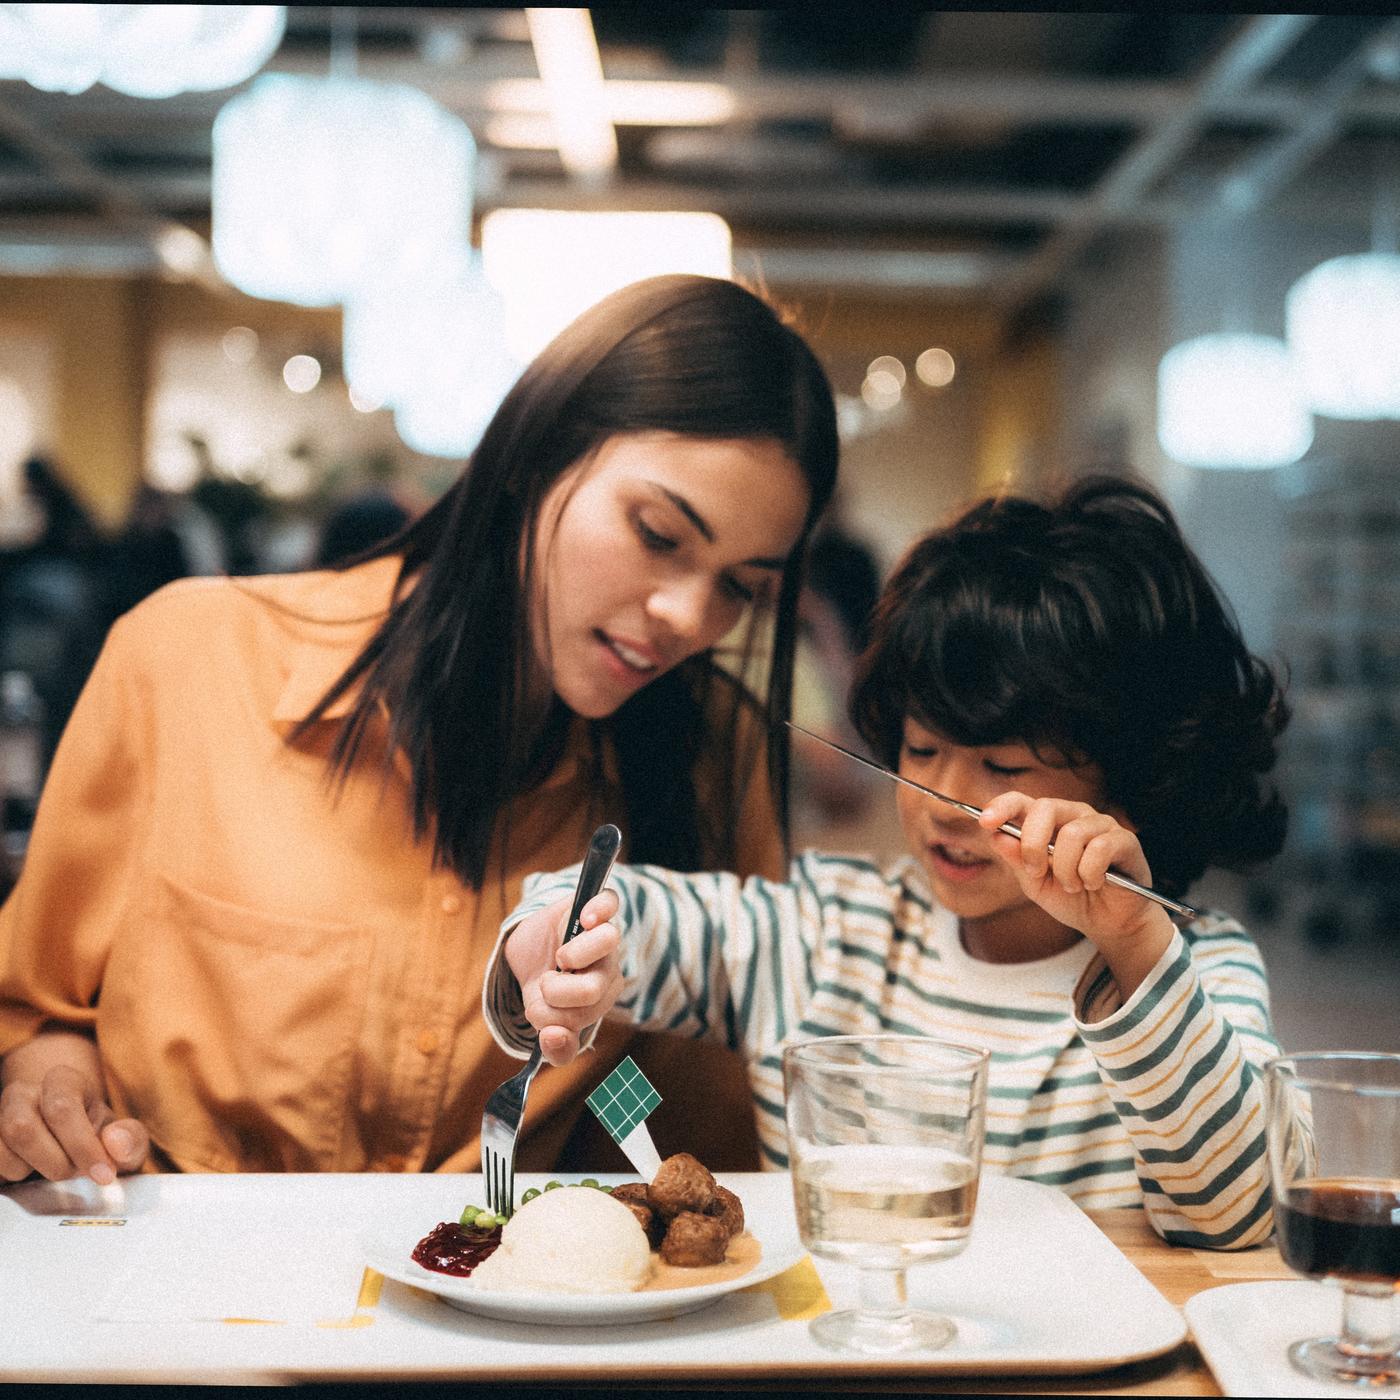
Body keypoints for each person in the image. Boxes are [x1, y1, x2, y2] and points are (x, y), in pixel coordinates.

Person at [0, 274, 839, 1185]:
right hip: (176, 1300)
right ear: (533, 456)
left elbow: (685, 1143)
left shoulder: (709, 752)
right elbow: (40, 1005)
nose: (685, 614)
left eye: (739, 587)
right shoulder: (194, 658)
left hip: (513, 1299)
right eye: (659, 534)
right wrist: (48, 1075)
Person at [496, 475, 1290, 1249]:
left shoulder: (1198, 970)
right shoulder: (829, 929)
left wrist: (1139, 949)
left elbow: (1240, 1216)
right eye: (922, 749)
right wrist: (556, 936)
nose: (946, 801)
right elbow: (639, 915)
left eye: (1003, 768)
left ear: (1134, 779)